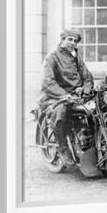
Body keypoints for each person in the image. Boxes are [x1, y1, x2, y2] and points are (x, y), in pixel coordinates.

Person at [39, 29, 94, 166]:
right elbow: (47, 82)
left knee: (96, 107)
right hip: (55, 95)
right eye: (69, 39)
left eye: (75, 41)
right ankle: (63, 148)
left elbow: (87, 77)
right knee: (61, 111)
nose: (72, 43)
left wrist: (86, 92)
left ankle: (91, 145)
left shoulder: (76, 57)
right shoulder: (52, 57)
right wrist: (65, 95)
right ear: (62, 40)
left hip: (75, 95)